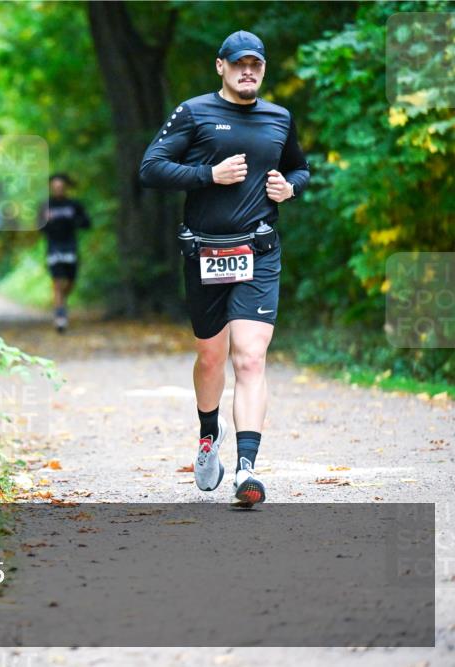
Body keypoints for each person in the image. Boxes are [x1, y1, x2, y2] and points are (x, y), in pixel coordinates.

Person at [139, 30, 310, 507]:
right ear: (221, 67)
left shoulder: (279, 118)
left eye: (255, 64)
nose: (248, 71)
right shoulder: (195, 113)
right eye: (239, 64)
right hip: (205, 253)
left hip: (258, 250)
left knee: (250, 357)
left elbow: (300, 168)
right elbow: (150, 168)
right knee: (211, 357)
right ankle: (208, 436)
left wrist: (290, 188)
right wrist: (206, 176)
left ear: (263, 69)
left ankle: (247, 470)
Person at [38, 173, 91, 332]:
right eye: (55, 187)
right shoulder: (45, 206)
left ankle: (62, 302)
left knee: (69, 282)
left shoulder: (74, 205)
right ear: (51, 188)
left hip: (70, 246)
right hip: (54, 246)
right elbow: (39, 228)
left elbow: (87, 223)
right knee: (57, 281)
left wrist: (76, 220)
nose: (58, 189)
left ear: (66, 187)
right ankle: (60, 316)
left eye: (60, 187)